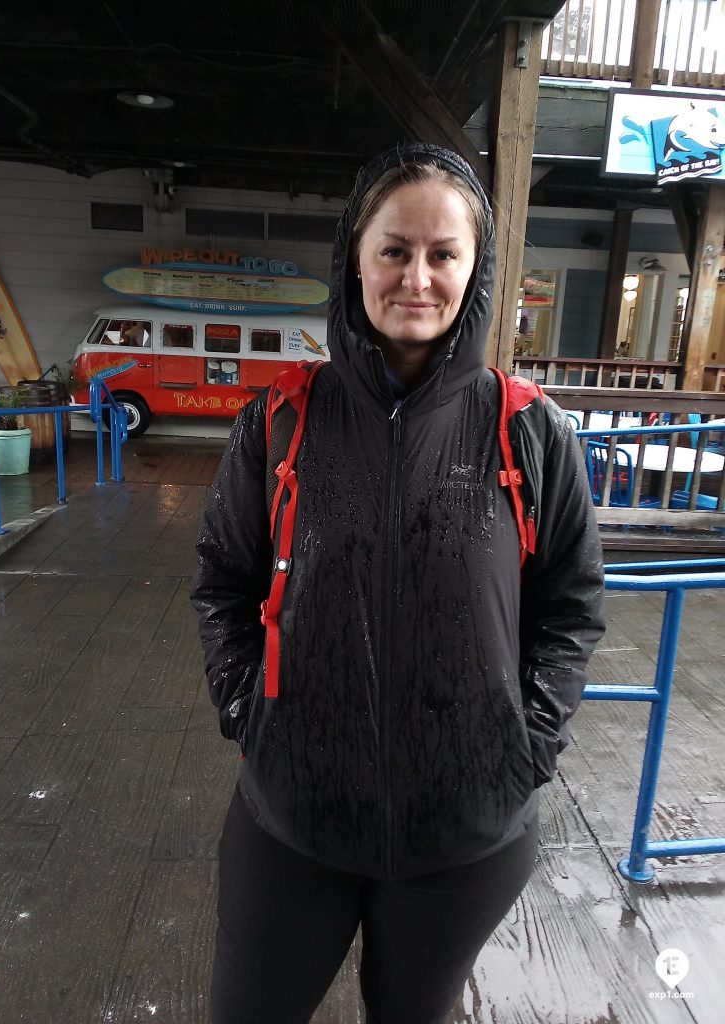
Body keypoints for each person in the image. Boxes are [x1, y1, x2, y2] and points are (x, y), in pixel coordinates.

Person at [191, 142, 605, 1024]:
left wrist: (526, 743)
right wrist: (247, 709)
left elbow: (571, 607)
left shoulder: (529, 431)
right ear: (356, 259)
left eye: (443, 253)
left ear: (474, 269)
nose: (417, 278)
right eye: (394, 250)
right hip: (292, 823)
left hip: (464, 836)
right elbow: (222, 578)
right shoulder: (281, 419)